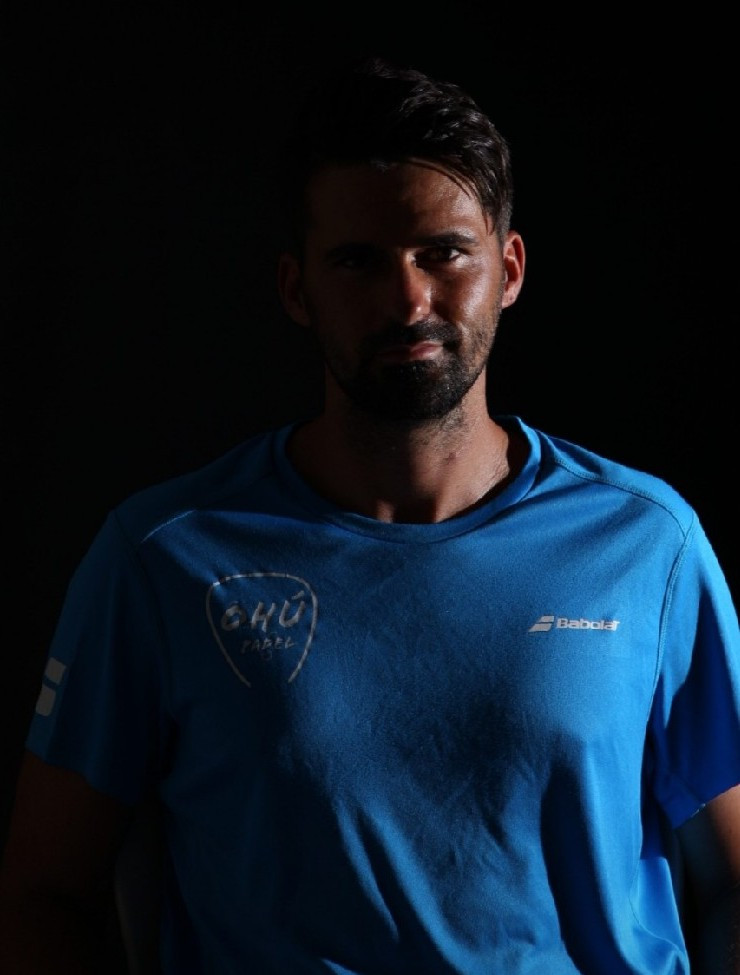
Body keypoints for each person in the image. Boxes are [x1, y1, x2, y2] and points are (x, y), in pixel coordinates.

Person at [1, 54, 738, 975]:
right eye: (359, 261)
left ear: (509, 269)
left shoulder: (647, 545)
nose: (407, 299)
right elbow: (43, 894)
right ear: (296, 289)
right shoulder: (163, 558)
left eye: (444, 253)